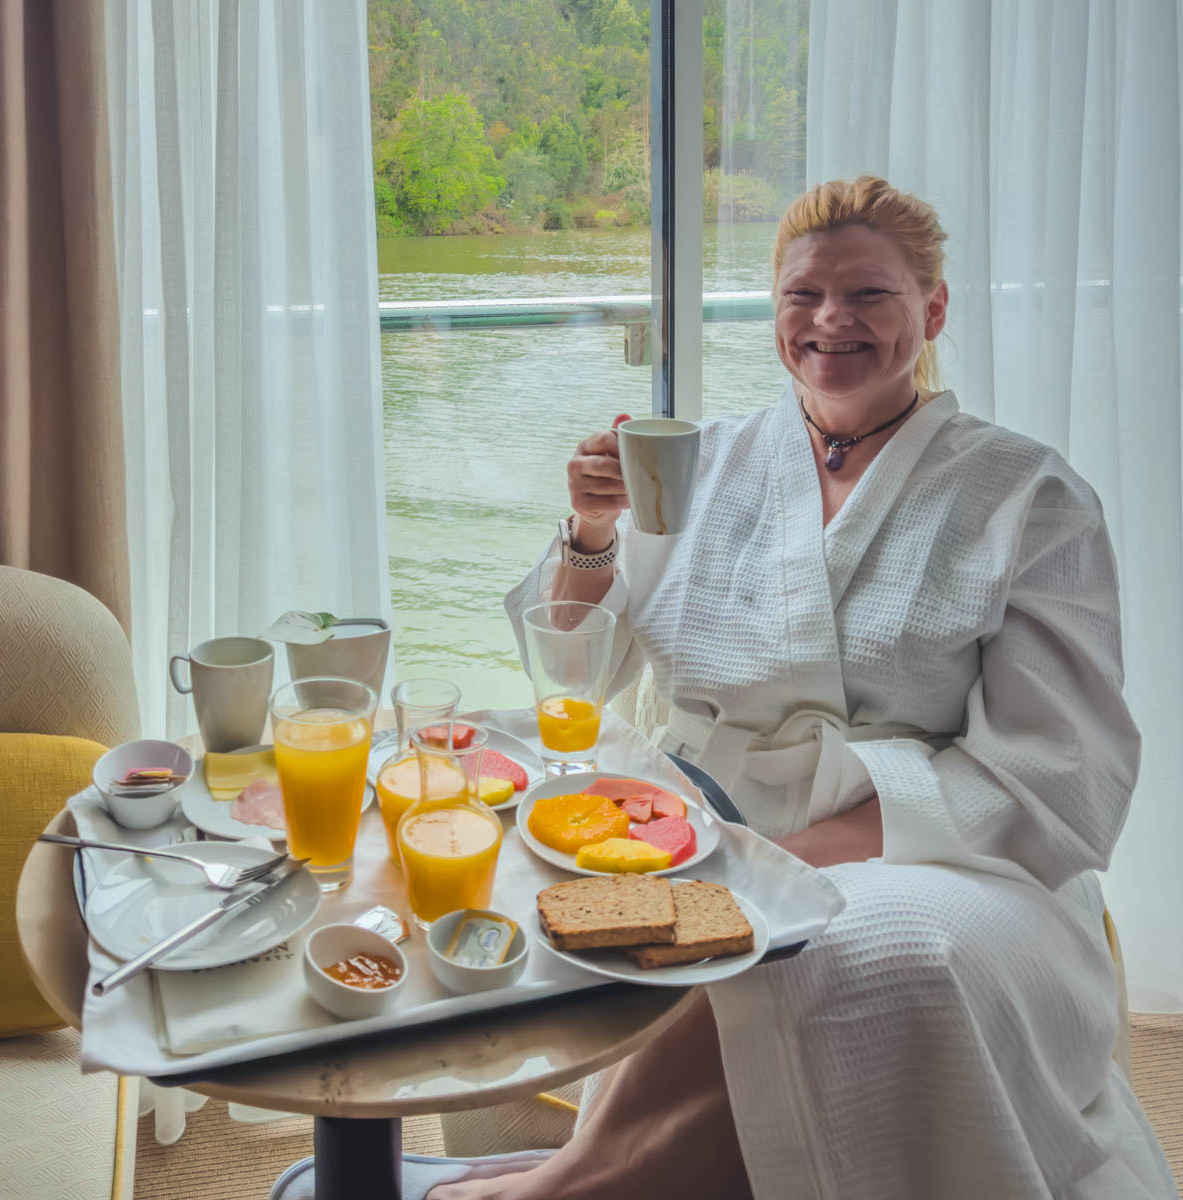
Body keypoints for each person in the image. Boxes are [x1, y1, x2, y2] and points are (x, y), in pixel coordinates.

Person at [270, 176, 1176, 1200]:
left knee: (858, 951)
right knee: (582, 901)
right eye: (803, 296)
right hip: (695, 816)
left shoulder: (1025, 494)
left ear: (931, 310)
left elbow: (1052, 769)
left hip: (942, 857)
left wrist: (774, 861)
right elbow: (579, 664)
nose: (831, 321)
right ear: (775, 309)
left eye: (869, 296)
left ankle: (549, 1190)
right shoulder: (705, 462)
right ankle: (576, 1175)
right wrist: (593, 531)